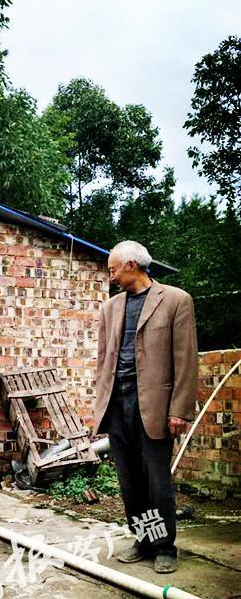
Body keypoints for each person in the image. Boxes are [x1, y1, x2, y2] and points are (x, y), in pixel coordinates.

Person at [93, 240, 198, 573]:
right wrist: (100, 403)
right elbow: (103, 360)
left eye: (113, 269)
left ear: (131, 265)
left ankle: (165, 546)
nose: (111, 276)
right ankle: (144, 539)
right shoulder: (111, 308)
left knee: (156, 480)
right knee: (130, 480)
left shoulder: (176, 300)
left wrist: (179, 410)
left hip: (154, 405)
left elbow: (185, 360)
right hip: (117, 404)